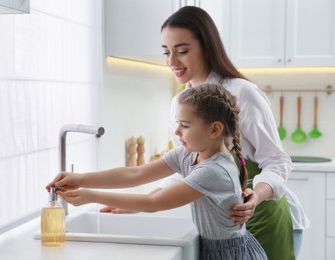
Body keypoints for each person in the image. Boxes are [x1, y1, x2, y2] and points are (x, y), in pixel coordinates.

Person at [101, 6, 309, 259]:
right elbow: (190, 166)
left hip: (263, 215)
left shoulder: (243, 92)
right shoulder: (179, 103)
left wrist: (256, 197)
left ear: (207, 46)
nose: (172, 62)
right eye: (166, 52)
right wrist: (141, 201)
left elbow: (277, 161)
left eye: (183, 51)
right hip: (222, 222)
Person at [47, 83, 268, 259]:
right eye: (177, 123)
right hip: (212, 249)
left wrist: (90, 196)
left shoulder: (215, 170)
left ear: (214, 129)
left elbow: (153, 203)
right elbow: (135, 174)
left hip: (230, 255)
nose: (177, 131)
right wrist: (80, 178)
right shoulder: (188, 154)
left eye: (185, 125)